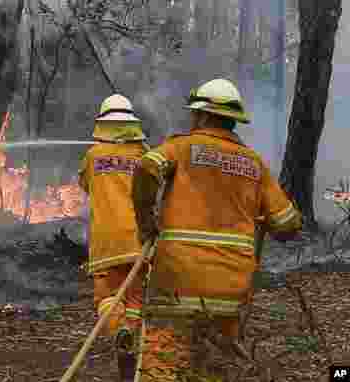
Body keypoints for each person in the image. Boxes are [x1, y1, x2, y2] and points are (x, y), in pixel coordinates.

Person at [131, 78, 302, 381]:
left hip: (177, 282)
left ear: (204, 115)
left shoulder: (181, 147)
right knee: (213, 369)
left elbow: (147, 167)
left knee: (163, 366)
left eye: (194, 114)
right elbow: (288, 223)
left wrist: (147, 223)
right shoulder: (255, 164)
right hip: (230, 291)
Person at [78, 94, 148, 381]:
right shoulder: (144, 154)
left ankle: (118, 329)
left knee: (107, 296)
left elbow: (85, 184)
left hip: (105, 241)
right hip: (137, 240)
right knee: (134, 297)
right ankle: (129, 335)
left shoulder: (93, 155)